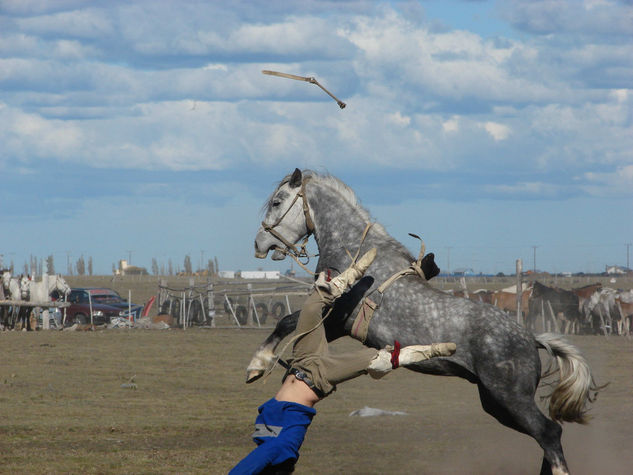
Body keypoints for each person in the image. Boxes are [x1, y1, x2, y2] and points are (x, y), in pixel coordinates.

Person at [230, 248, 456, 474]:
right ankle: (430, 351)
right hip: (318, 377)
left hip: (301, 362)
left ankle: (350, 276)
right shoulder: (282, 450)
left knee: (311, 307)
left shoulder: (263, 440)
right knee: (372, 360)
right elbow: (250, 465)